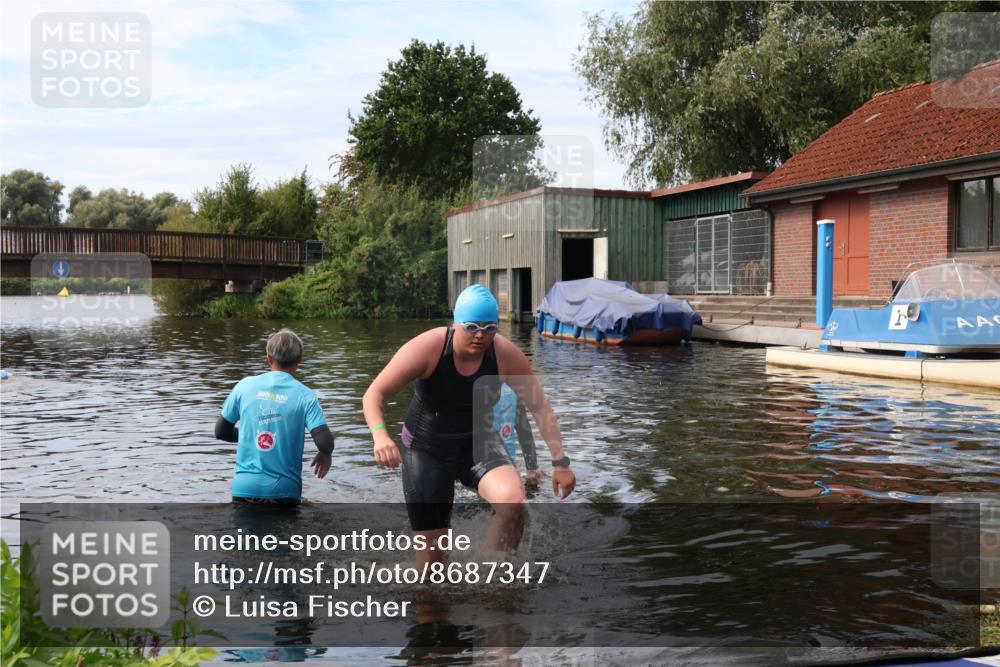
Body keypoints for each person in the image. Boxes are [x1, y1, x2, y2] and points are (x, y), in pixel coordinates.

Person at [363, 284, 576, 564]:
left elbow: (540, 407)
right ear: (456, 323)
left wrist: (561, 463)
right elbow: (373, 395)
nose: (480, 336)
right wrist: (380, 436)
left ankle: (497, 579)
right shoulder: (429, 347)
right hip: (427, 448)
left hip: (477, 441)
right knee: (432, 563)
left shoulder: (504, 355)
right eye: (472, 326)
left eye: (489, 328)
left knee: (513, 503)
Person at [215, 328, 334, 505]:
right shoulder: (306, 395)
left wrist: (253, 432)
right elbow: (325, 441)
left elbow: (221, 432)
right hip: (284, 491)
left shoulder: (244, 386)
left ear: (269, 358)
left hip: (244, 489)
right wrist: (326, 454)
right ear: (299, 359)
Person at [493, 384, 544, 486]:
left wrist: (532, 467)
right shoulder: (512, 386)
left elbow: (523, 428)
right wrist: (531, 466)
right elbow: (524, 429)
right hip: (503, 468)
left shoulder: (512, 387)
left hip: (502, 467)